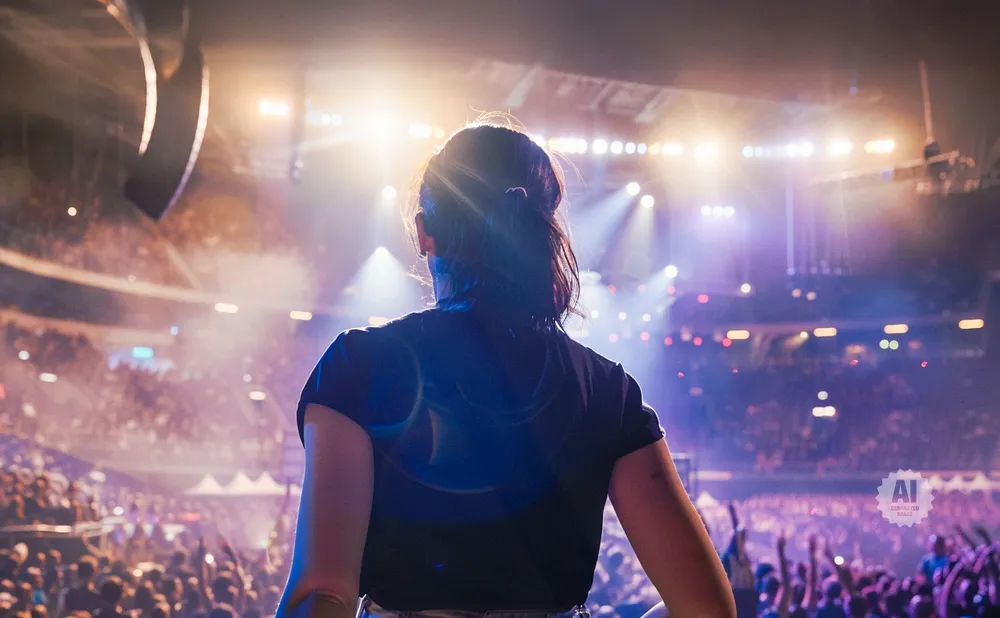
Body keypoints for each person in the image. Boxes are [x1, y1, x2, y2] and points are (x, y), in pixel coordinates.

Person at [276, 121, 735, 618]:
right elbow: (706, 608)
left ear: (423, 232)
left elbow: (322, 593)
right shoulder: (609, 392)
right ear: (539, 230)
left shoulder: (356, 366)